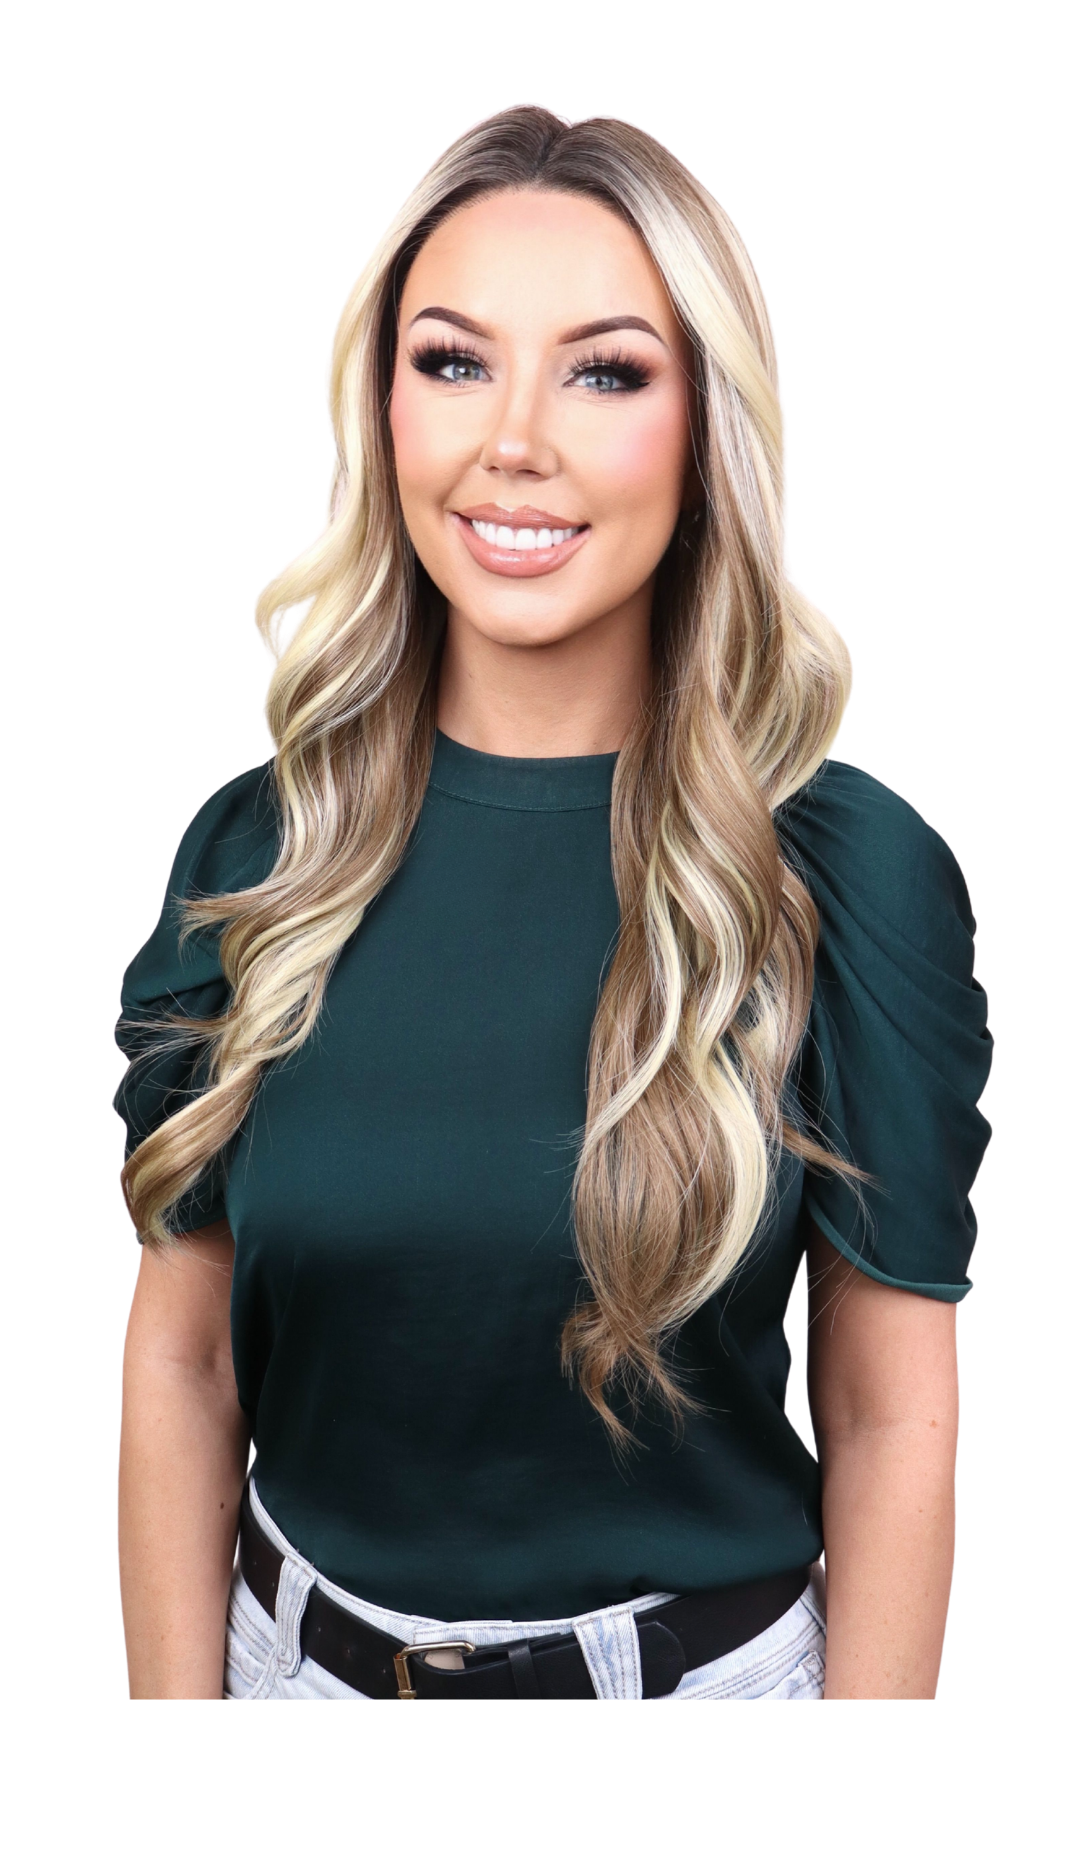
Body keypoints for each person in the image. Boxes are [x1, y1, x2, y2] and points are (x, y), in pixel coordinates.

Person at [114, 104, 992, 1701]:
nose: (513, 441)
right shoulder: (263, 850)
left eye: (606, 373)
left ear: (707, 427)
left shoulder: (844, 872)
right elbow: (182, 1360)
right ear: (380, 406)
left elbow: (890, 1416)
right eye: (454, 360)